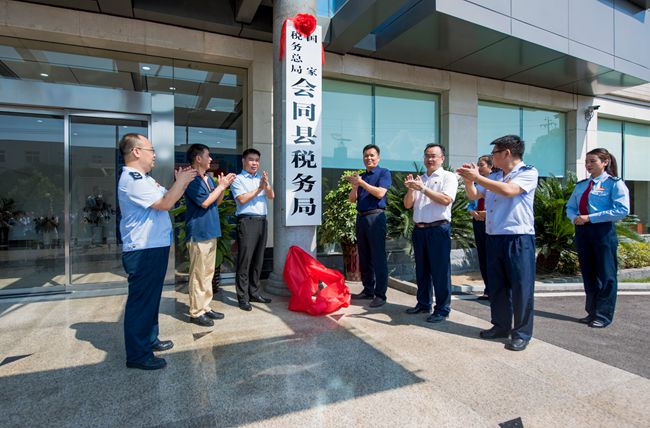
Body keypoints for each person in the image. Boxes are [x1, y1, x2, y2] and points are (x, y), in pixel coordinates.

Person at [118, 133, 197, 370]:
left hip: (153, 247)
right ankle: (138, 355)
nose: (154, 155)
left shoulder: (145, 178)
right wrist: (181, 181)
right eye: (151, 150)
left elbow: (167, 197)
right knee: (141, 302)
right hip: (143, 250)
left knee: (151, 300)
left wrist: (180, 183)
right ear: (136, 152)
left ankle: (150, 339)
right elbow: (165, 204)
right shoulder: (133, 179)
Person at [457, 135, 538, 352]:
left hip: (517, 237)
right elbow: (474, 194)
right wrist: (468, 180)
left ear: (507, 153)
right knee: (497, 286)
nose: (492, 157)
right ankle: (500, 326)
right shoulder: (495, 175)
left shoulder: (527, 172)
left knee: (521, 287)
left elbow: (509, 191)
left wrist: (478, 177)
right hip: (494, 236)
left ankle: (521, 333)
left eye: (494, 153)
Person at [566, 148, 629, 328]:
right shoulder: (582, 185)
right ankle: (592, 311)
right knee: (589, 273)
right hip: (582, 231)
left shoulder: (614, 184)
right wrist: (574, 218)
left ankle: (603, 315)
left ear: (605, 162)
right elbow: (570, 207)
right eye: (586, 162)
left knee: (606, 274)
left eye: (592, 161)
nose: (588, 165)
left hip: (602, 231)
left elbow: (622, 210)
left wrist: (590, 218)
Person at [403, 144, 458, 322]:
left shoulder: (448, 177)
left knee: (440, 271)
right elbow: (407, 205)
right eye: (427, 155)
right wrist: (412, 188)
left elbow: (446, 200)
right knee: (422, 270)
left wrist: (423, 189)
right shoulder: (421, 179)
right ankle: (423, 303)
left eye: (434, 156)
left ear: (442, 158)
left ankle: (442, 308)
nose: (430, 159)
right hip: (419, 230)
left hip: (438, 229)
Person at [184, 144, 236, 327]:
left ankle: (205, 307)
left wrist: (221, 188)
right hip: (198, 233)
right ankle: (195, 312)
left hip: (211, 231)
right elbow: (205, 203)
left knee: (208, 273)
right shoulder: (191, 179)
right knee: (198, 274)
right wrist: (220, 186)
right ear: (198, 158)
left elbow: (217, 201)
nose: (211, 159)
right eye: (208, 156)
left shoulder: (208, 179)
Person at [346, 144, 392, 308]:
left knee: (378, 257)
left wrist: (362, 183)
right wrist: (355, 186)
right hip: (361, 218)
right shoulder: (362, 176)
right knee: (364, 256)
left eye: (372, 155)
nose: (369, 158)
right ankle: (368, 289)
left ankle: (380, 295)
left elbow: (380, 193)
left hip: (376, 217)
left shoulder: (384, 172)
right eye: (366, 156)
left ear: (378, 157)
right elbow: (352, 199)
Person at [231, 148, 275, 311]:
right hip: (247, 221)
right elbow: (242, 199)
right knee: (245, 261)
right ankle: (242, 297)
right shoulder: (238, 179)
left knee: (258, 259)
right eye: (251, 159)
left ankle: (254, 293)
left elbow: (271, 196)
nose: (254, 163)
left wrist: (265, 185)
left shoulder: (261, 178)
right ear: (243, 161)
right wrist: (259, 188)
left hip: (262, 221)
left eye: (257, 160)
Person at [467, 155, 494, 300]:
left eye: (481, 165)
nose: (478, 167)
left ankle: (495, 289)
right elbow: (471, 202)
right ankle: (487, 289)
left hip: (492, 222)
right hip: (478, 222)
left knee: (492, 256)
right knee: (482, 256)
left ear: (490, 166)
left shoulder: (495, 181)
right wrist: (472, 211)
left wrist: (488, 213)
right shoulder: (477, 184)